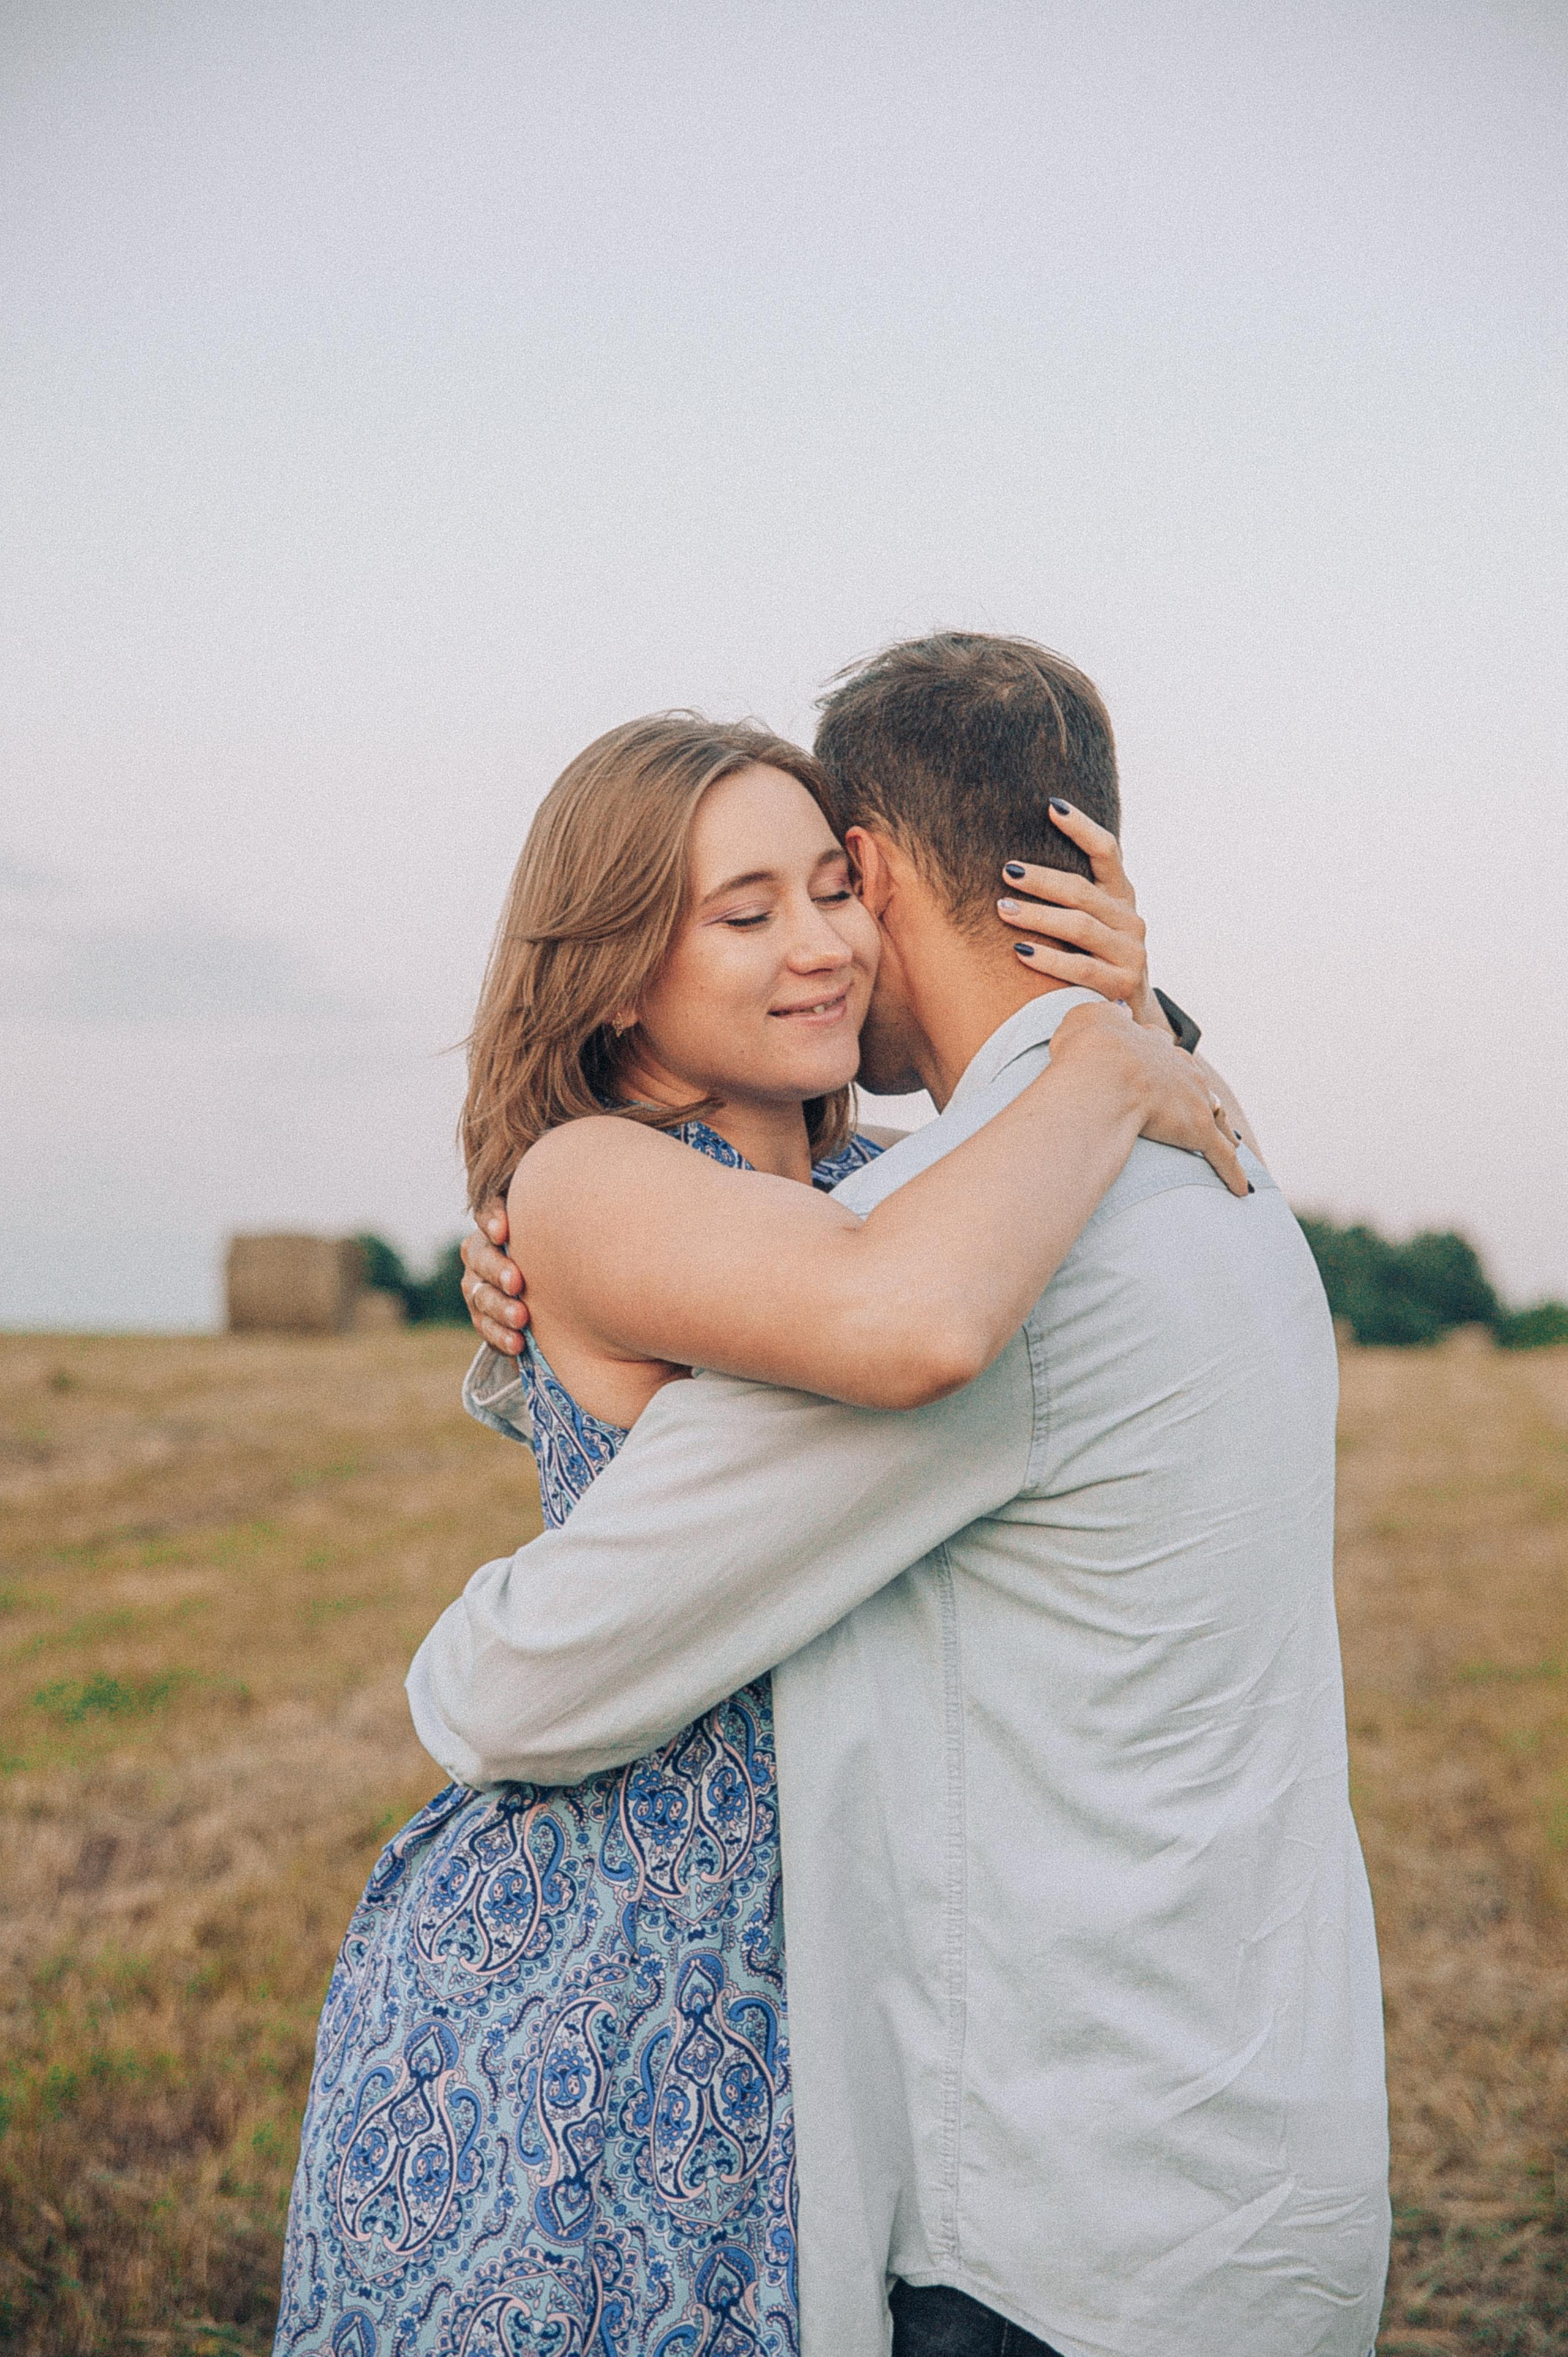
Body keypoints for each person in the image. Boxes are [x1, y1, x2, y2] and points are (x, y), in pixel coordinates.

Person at [416, 635, 1391, 2357]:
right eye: (743, 909)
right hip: (1236, 2162)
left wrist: (1110, 1043)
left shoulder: (981, 1222)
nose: (811, 948)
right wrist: (1111, 1041)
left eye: (819, 892)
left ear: (870, 875)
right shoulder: (1219, 1180)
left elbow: (524, 1671)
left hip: (1064, 2234)